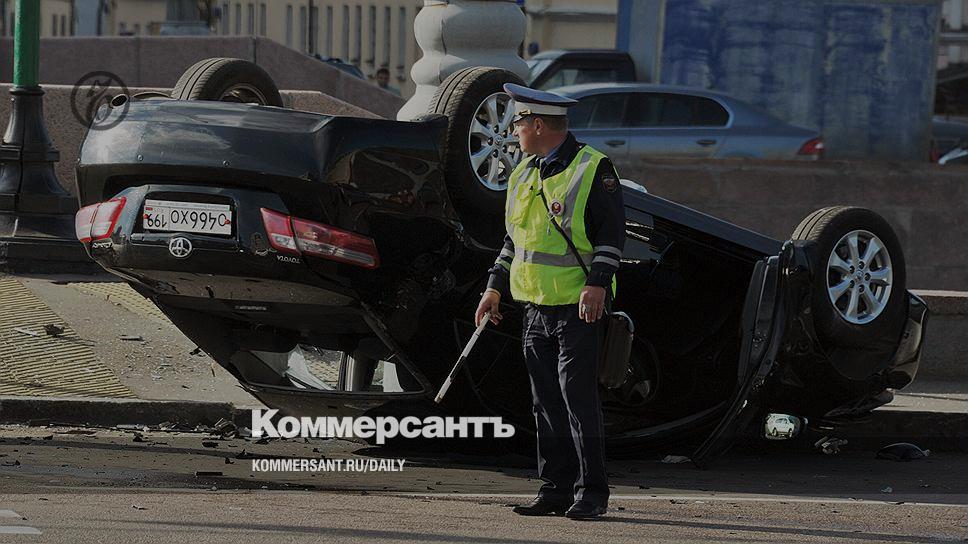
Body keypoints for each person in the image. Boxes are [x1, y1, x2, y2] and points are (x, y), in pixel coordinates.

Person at [474, 83, 625, 520]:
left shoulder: (593, 167)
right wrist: (493, 287)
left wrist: (597, 284)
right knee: (545, 403)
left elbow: (612, 236)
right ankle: (555, 489)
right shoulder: (523, 173)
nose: (514, 130)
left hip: (578, 307)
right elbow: (514, 240)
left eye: (519, 122)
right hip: (534, 307)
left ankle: (591, 492)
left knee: (578, 400)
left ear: (538, 125)